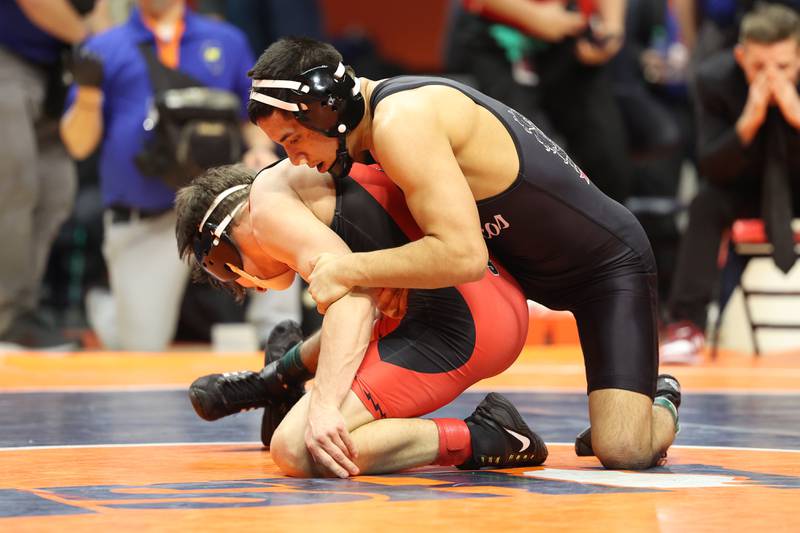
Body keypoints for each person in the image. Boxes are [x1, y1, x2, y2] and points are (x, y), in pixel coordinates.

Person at [241, 37, 682, 472]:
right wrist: (389, 274)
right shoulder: (378, 129)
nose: (293, 158)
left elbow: (463, 257)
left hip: (605, 270)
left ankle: (658, 398)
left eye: (293, 137)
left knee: (625, 450)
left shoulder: (401, 121)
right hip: (522, 269)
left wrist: (350, 269)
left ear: (327, 110)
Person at [177, 160, 548, 478]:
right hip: (481, 296)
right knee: (354, 318)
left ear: (222, 242)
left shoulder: (269, 212)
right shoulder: (308, 177)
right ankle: (276, 379)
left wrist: (322, 407)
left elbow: (353, 308)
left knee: (296, 449)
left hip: (463, 325)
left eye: (225, 272)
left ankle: (486, 435)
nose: (245, 285)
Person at [59, 0, 276, 350]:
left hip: (221, 207)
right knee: (140, 346)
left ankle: (276, 331)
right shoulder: (103, 48)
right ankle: (105, 303)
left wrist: (260, 149)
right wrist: (86, 93)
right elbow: (78, 145)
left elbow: (258, 115)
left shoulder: (227, 40)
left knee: (278, 191)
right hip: (144, 216)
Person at [660, 2, 800, 362]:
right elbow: (709, 164)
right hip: (743, 184)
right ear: (740, 56)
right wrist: (747, 124)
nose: (771, 76)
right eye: (758, 66)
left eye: (783, 66)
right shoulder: (714, 79)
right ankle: (686, 325)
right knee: (705, 202)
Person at [0, 0, 104, 350]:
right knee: (13, 185)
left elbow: (95, 7)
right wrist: (90, 39)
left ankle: (21, 311)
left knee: (57, 190)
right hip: (7, 55)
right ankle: (5, 313)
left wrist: (98, 44)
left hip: (55, 69)